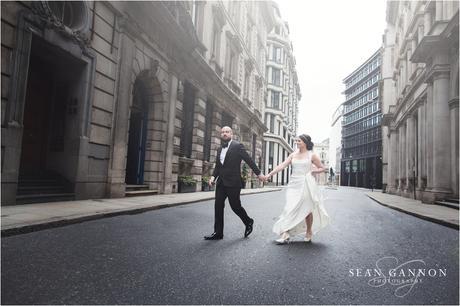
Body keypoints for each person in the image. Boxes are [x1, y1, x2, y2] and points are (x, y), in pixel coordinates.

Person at [264, 134, 330, 244]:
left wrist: (313, 171)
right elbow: (282, 165)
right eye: (296, 141)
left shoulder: (311, 155)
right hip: (294, 185)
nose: (297, 142)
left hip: (306, 184)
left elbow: (323, 168)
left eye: (299, 141)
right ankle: (285, 233)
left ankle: (308, 231)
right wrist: (269, 174)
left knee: (307, 209)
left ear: (305, 142)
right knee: (290, 208)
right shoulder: (293, 155)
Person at [204, 126, 265, 240]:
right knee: (218, 206)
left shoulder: (237, 146)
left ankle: (248, 221)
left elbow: (249, 160)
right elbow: (218, 166)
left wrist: (258, 173)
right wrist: (213, 177)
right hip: (221, 182)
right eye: (222, 132)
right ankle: (218, 233)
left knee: (235, 206)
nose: (224, 134)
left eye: (227, 132)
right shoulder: (219, 149)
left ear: (231, 134)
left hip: (233, 183)